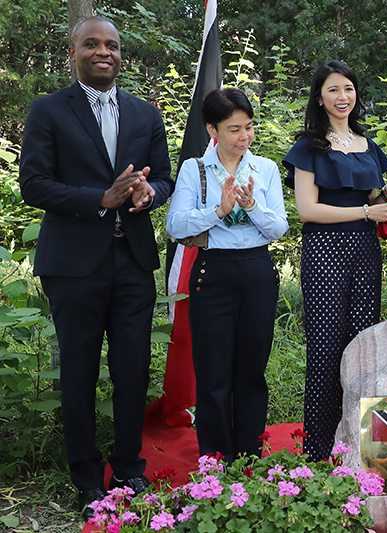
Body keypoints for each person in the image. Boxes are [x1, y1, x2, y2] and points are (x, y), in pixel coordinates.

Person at [18, 16, 173, 519]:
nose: (103, 51)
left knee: (132, 372)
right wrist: (99, 199)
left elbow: (164, 179)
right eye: (92, 44)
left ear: (121, 54)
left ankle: (128, 469)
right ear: (73, 52)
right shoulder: (47, 110)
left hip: (133, 262)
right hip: (73, 266)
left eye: (112, 45)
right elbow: (34, 184)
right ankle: (86, 478)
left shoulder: (145, 113)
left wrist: (149, 194)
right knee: (79, 374)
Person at [282, 61, 387, 462]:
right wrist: (368, 213)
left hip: (365, 252)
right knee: (325, 351)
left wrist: (384, 195)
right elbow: (308, 209)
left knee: (362, 347)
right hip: (324, 252)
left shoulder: (367, 145)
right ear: (319, 97)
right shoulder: (308, 147)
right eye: (333, 90)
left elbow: (366, 198)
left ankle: (359, 444)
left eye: (349, 89)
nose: (342, 97)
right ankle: (318, 452)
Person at [166, 88, 288, 462]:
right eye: (234, 129)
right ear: (212, 130)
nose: (244, 137)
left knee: (252, 370)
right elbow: (175, 225)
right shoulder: (195, 169)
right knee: (214, 369)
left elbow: (279, 228)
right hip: (212, 271)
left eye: (249, 128)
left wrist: (251, 206)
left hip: (256, 270)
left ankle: (249, 457)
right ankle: (215, 460)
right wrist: (218, 210)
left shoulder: (264, 168)